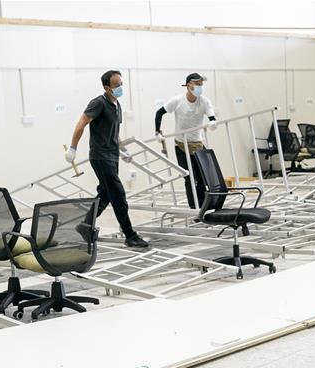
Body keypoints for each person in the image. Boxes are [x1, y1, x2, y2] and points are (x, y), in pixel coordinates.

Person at [65, 70, 149, 249]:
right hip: (100, 156)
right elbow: (81, 123)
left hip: (112, 155)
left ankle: (85, 226)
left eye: (121, 84)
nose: (120, 88)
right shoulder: (98, 103)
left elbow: (114, 132)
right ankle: (130, 235)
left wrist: (123, 150)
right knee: (118, 194)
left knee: (105, 194)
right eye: (116, 85)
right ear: (106, 87)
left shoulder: (117, 105)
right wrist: (73, 148)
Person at [154, 73, 218, 209]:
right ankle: (194, 207)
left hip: (198, 144)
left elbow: (212, 117)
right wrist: (157, 132)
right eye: (197, 84)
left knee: (203, 176)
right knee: (189, 177)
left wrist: (213, 123)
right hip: (181, 145)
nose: (200, 87)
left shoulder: (204, 101)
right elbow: (159, 113)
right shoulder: (177, 100)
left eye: (201, 85)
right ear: (188, 85)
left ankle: (203, 206)